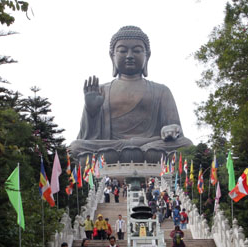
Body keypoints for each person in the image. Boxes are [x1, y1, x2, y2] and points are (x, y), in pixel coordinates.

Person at [70, 26, 193, 164]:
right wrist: (91, 112)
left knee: (186, 145)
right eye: (122, 50)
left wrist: (170, 129)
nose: (129, 56)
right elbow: (87, 138)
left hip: (150, 145)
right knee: (75, 147)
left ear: (147, 55)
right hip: (112, 147)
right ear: (112, 56)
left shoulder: (161, 91)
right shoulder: (101, 90)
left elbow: (175, 130)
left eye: (137, 51)